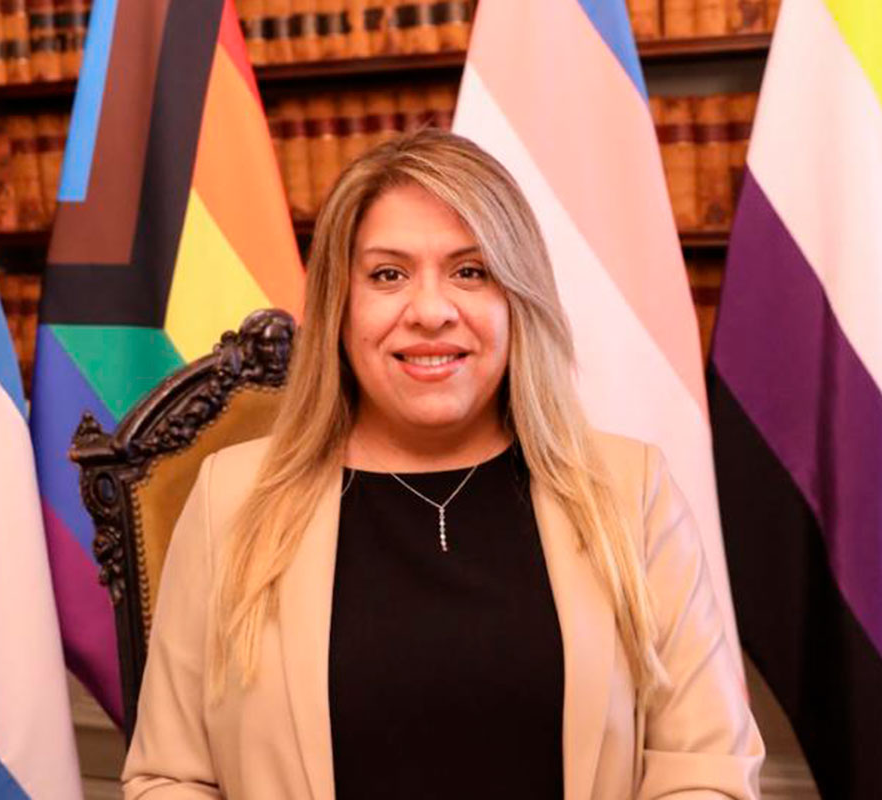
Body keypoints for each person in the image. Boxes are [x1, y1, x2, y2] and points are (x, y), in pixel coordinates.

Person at [122, 128, 764, 799]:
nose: (430, 312)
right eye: (388, 275)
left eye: (470, 271)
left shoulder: (633, 493)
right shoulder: (231, 497)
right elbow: (170, 777)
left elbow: (706, 770)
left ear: (518, 299)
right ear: (340, 305)